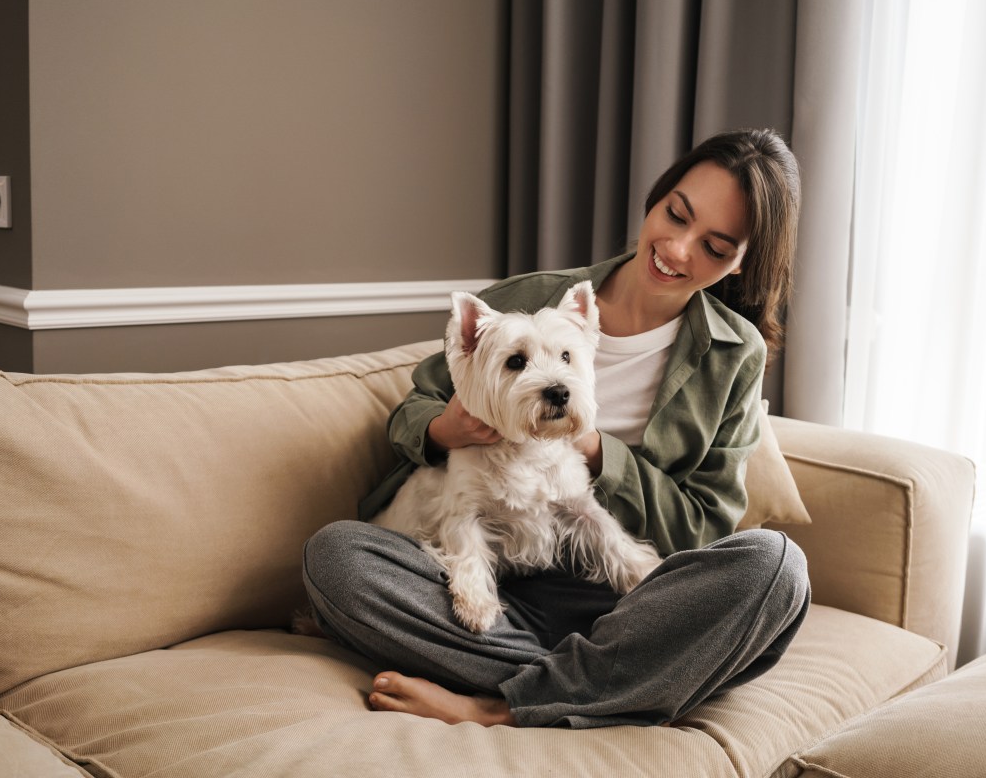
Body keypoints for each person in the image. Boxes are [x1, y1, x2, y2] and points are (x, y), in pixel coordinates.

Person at [302, 128, 811, 729]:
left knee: (776, 568)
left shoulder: (734, 354)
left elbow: (702, 527)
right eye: (675, 214)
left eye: (715, 246)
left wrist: (595, 450)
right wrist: (447, 427)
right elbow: (415, 410)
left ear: (742, 262)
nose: (676, 249)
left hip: (612, 599)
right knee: (334, 557)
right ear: (655, 197)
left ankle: (500, 703)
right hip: (471, 573)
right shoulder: (534, 297)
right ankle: (612, 680)